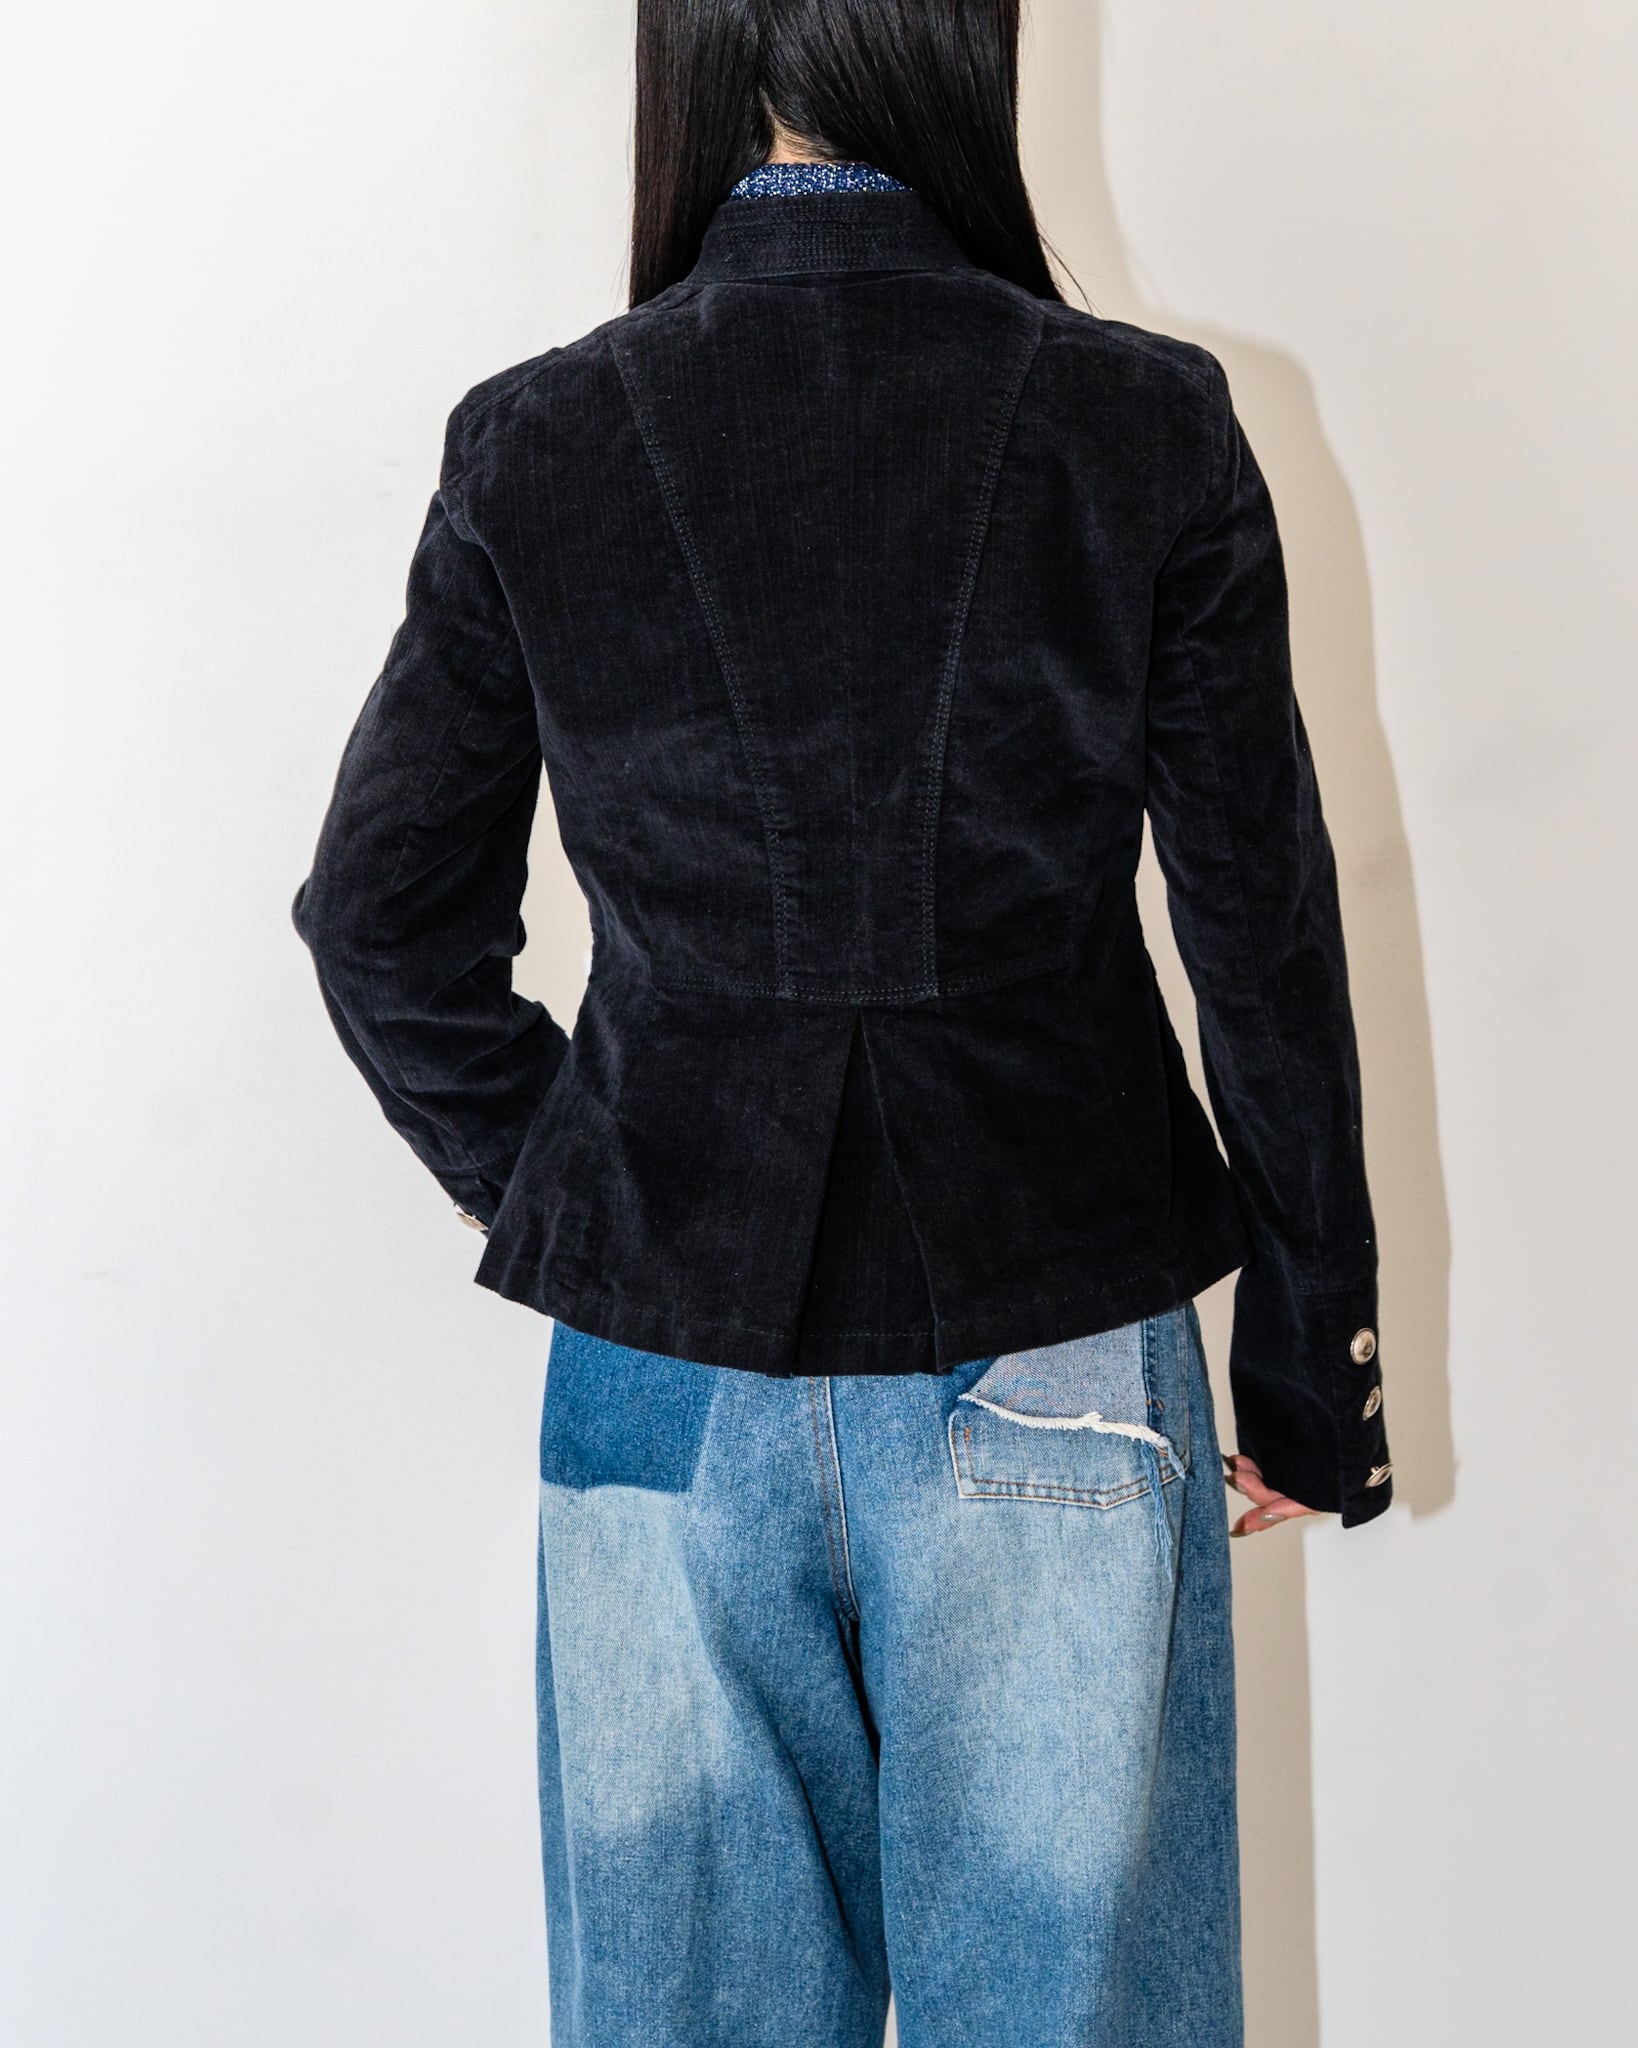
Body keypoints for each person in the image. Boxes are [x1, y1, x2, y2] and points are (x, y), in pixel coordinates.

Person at [291, 2, 1392, 2041]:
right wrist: (1317, 1370)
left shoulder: (542, 435)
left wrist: (599, 1192)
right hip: (1058, 1327)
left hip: (660, 1380)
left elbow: (377, 927)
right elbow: (1261, 933)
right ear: (964, 46)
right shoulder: (1139, 421)